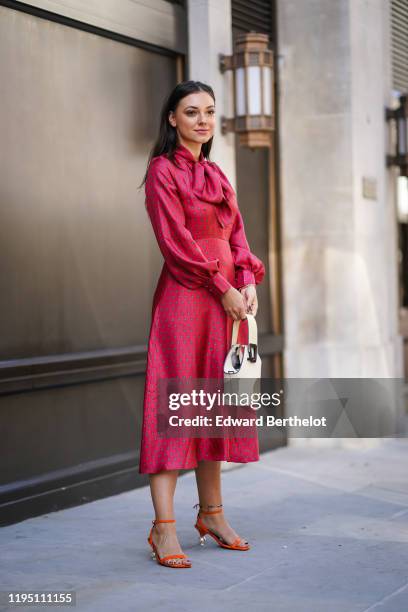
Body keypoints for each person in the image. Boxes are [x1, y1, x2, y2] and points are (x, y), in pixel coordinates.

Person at [138, 80, 265, 568]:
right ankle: (163, 527)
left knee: (213, 403)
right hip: (186, 300)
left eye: (209, 111)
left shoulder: (217, 174)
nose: (202, 120)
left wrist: (247, 278)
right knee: (176, 404)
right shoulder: (161, 172)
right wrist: (224, 286)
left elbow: (237, 236)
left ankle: (212, 514)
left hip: (227, 303)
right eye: (191, 112)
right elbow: (175, 243)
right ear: (172, 119)